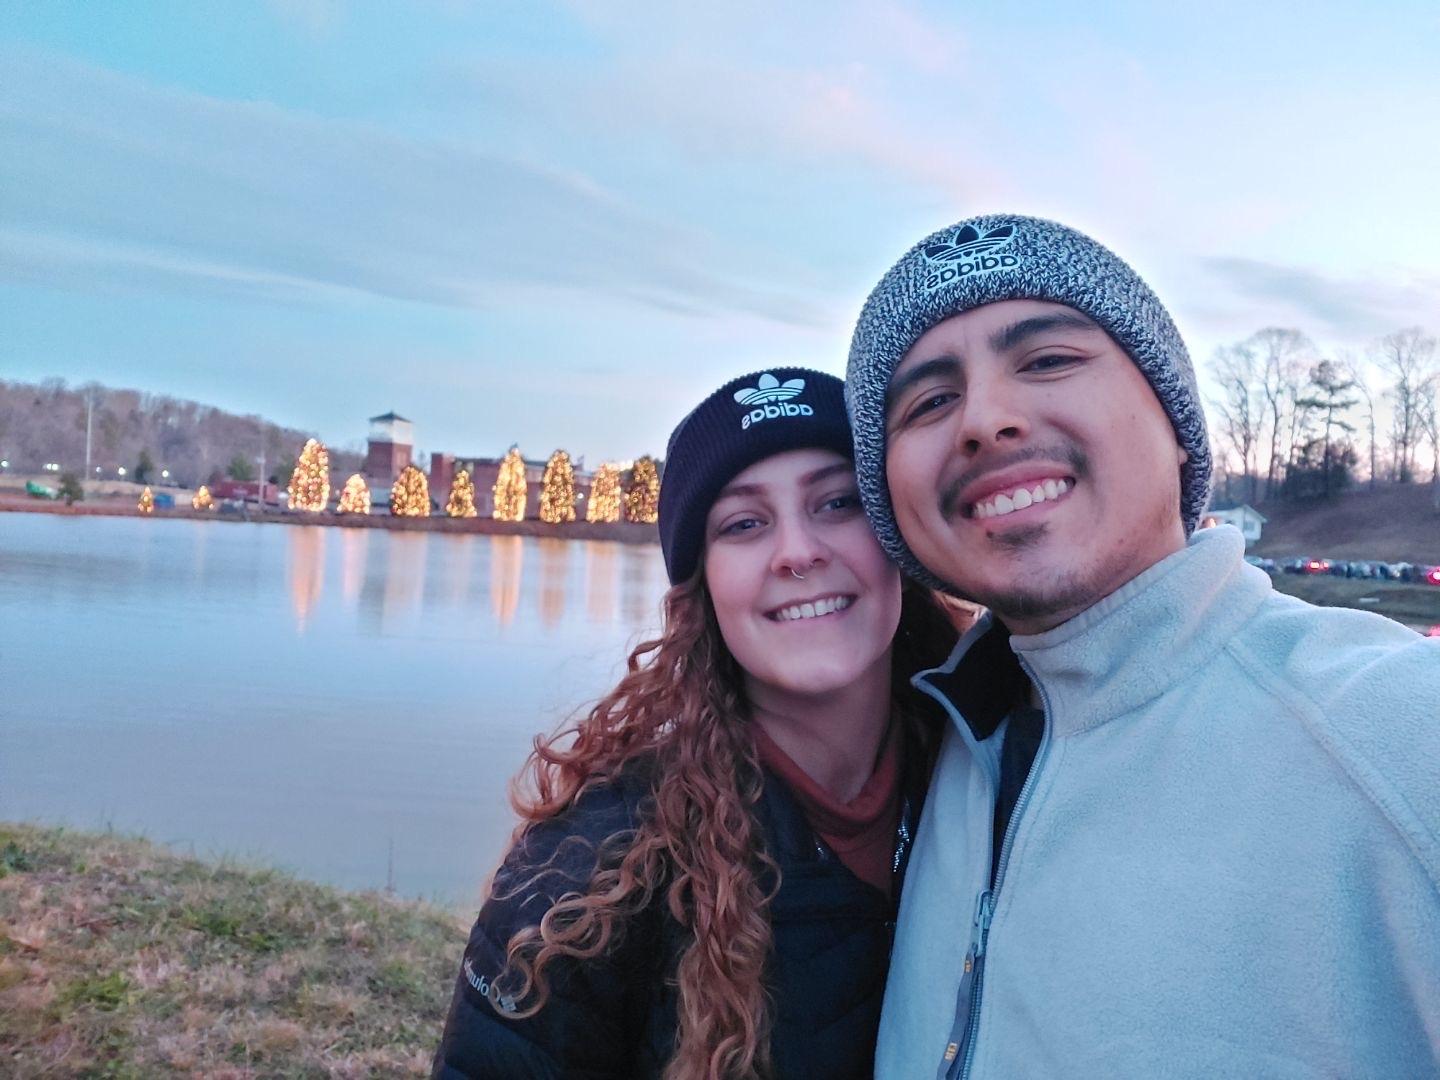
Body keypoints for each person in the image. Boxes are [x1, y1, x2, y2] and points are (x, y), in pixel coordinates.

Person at [843, 214, 1440, 1078]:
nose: (984, 419)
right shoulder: (943, 741)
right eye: (929, 402)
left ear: (1176, 422)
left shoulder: (1400, 735)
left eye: (1048, 360)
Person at [433, 368, 960, 1079]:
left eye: (839, 502)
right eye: (744, 524)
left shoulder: (1000, 776)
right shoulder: (593, 872)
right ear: (702, 587)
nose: (798, 551)